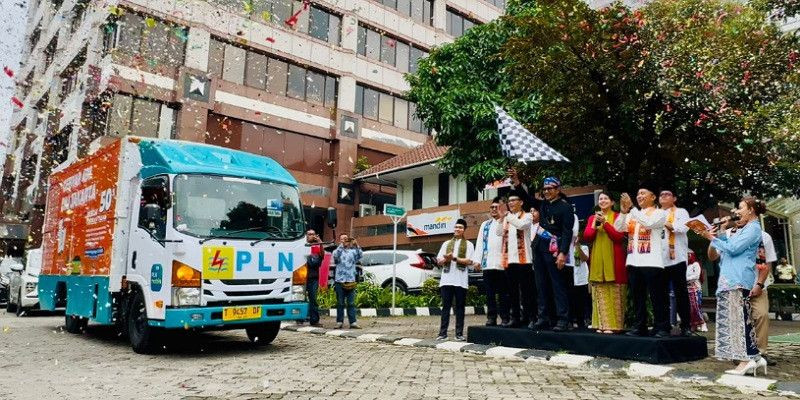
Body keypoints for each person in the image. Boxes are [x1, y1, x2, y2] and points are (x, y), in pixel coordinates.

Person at [695, 196, 767, 376]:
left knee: (739, 321)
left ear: (751, 210)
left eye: (740, 208)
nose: (736, 212)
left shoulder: (753, 228)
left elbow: (734, 249)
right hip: (730, 279)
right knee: (738, 319)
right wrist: (719, 233)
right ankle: (755, 357)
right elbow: (723, 249)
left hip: (738, 278)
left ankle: (745, 360)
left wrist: (709, 236)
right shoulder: (743, 229)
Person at [509, 170, 574, 332]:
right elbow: (526, 198)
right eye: (544, 189)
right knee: (541, 285)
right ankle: (543, 317)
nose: (546, 192)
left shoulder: (565, 208)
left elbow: (567, 232)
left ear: (558, 189)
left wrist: (563, 253)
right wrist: (516, 181)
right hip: (538, 248)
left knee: (557, 285)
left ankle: (563, 319)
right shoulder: (543, 204)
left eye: (549, 189)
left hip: (554, 250)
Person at [614, 183, 671, 338]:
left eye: (643, 193)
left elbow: (649, 223)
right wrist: (623, 212)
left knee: (657, 296)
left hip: (652, 262)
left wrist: (632, 208)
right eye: (638, 194)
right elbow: (618, 228)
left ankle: (662, 327)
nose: (639, 196)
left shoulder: (660, 213)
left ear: (653, 197)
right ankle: (640, 326)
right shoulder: (633, 214)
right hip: (633, 261)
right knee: (638, 297)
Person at [583, 192, 628, 334]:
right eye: (600, 199)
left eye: (606, 198)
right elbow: (587, 237)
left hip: (615, 259)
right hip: (597, 260)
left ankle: (616, 326)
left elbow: (619, 237)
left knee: (615, 291)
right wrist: (595, 224)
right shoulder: (592, 218)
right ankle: (601, 325)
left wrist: (606, 223)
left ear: (612, 202)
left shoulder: (618, 216)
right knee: (600, 291)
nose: (602, 201)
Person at [495, 190, 535, 328]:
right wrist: (501, 219)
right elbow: (498, 232)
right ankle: (515, 318)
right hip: (510, 260)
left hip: (524, 260)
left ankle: (531, 318)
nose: (510, 203)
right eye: (509, 201)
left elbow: (521, 225)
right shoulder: (507, 218)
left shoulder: (527, 216)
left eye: (513, 200)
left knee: (527, 291)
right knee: (512, 292)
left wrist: (507, 216)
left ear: (521, 202)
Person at [436, 219, 477, 341]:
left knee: (460, 307)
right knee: (445, 307)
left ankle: (459, 334)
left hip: (460, 280)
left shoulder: (469, 244)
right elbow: (439, 261)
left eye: (460, 227)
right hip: (446, 280)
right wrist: (446, 259)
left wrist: (453, 258)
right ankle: (442, 333)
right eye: (456, 227)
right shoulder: (446, 243)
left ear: (464, 230)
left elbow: (470, 261)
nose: (457, 229)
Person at [659, 188, 692, 336]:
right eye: (661, 195)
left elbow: (682, 228)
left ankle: (686, 326)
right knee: (662, 295)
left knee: (681, 293)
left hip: (677, 258)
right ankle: (664, 326)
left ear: (674, 198)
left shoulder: (681, 212)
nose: (663, 196)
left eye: (667, 194)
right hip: (660, 260)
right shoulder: (655, 213)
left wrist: (663, 221)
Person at [473, 197, 510, 326]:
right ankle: (491, 317)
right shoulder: (485, 224)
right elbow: (479, 243)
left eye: (496, 207)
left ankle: (505, 317)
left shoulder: (507, 222)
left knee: (504, 293)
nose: (494, 209)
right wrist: (477, 260)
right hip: (488, 264)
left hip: (503, 265)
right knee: (490, 294)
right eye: (492, 207)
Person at [332, 233, 362, 329]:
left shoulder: (352, 252)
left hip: (350, 280)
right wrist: (342, 245)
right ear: (339, 241)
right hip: (339, 281)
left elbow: (360, 255)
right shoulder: (337, 251)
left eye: (346, 238)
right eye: (342, 239)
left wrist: (356, 245)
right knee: (340, 303)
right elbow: (336, 257)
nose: (345, 240)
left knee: (351, 303)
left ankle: (353, 322)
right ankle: (339, 322)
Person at [570, 236, 591, 329]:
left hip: (581, 279)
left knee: (582, 301)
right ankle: (571, 320)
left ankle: (582, 321)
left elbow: (585, 258)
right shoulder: (566, 247)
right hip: (570, 278)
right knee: (571, 301)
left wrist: (577, 246)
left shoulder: (584, 247)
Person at [304, 229, 324, 327]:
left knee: (313, 299)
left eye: (313, 234)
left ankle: (314, 320)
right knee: (301, 298)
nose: (311, 236)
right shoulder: (302, 245)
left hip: (313, 277)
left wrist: (320, 242)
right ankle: (300, 318)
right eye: (309, 234)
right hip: (302, 277)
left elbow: (322, 255)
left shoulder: (316, 246)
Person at [685, 251, 707, 332]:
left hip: (696, 289)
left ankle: (703, 324)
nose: (688, 256)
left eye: (689, 254)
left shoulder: (696, 264)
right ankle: (694, 325)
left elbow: (696, 276)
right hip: (687, 289)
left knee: (697, 307)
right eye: (686, 254)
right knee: (690, 309)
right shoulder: (685, 265)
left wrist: (685, 279)